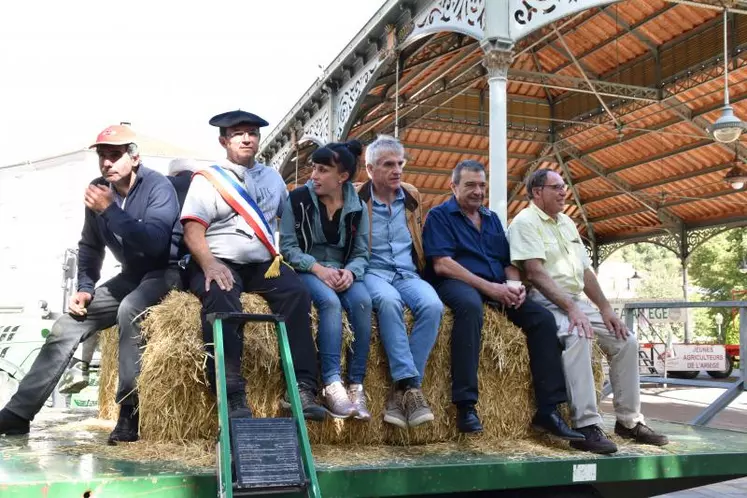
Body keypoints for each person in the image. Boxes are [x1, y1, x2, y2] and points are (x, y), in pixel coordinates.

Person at [0, 125, 183, 444]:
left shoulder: (159, 187)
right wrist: (85, 287)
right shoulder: (99, 189)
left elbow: (155, 244)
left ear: (134, 157)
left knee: (131, 309)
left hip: (165, 271)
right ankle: (18, 414)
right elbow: (90, 246)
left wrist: (110, 210)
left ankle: (130, 412)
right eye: (102, 156)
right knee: (66, 325)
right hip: (129, 275)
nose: (107, 163)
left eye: (115, 155)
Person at [507, 168, 669, 454]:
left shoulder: (567, 223)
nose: (563, 192)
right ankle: (585, 426)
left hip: (575, 299)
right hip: (544, 299)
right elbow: (534, 272)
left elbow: (585, 272)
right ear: (536, 192)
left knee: (626, 340)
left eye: (564, 187)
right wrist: (571, 310)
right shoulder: (524, 222)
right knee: (578, 335)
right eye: (556, 187)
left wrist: (605, 308)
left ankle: (629, 422)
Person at [422, 160, 584, 439]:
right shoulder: (439, 216)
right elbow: (442, 264)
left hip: (495, 285)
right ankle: (465, 405)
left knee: (542, 319)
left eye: (481, 185)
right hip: (457, 282)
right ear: (453, 187)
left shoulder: (492, 218)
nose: (477, 191)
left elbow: (508, 261)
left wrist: (513, 285)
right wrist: (491, 289)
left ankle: (548, 410)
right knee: (471, 308)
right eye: (470, 185)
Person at [181, 110, 325, 421]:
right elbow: (193, 230)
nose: (248, 138)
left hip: (263, 263)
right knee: (221, 298)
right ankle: (231, 391)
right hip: (219, 259)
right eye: (238, 134)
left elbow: (289, 224)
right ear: (224, 141)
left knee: (297, 294)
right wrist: (208, 264)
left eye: (253, 133)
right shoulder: (208, 179)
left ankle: (302, 387)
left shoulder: (273, 178)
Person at [279, 140, 372, 420]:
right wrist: (318, 269)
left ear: (342, 177)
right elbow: (287, 248)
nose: (314, 176)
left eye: (322, 170)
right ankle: (332, 384)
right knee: (329, 303)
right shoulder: (297, 200)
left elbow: (361, 253)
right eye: (314, 169)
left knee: (363, 302)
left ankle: (356, 384)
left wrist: (351, 272)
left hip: (343, 271)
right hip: (307, 270)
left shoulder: (358, 208)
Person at [355, 135, 444, 428]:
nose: (396, 170)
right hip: (373, 272)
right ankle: (411, 386)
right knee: (388, 301)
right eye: (388, 165)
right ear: (369, 169)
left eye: (399, 164)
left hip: (407, 272)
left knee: (432, 305)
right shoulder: (357, 198)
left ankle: (401, 392)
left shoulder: (412, 194)